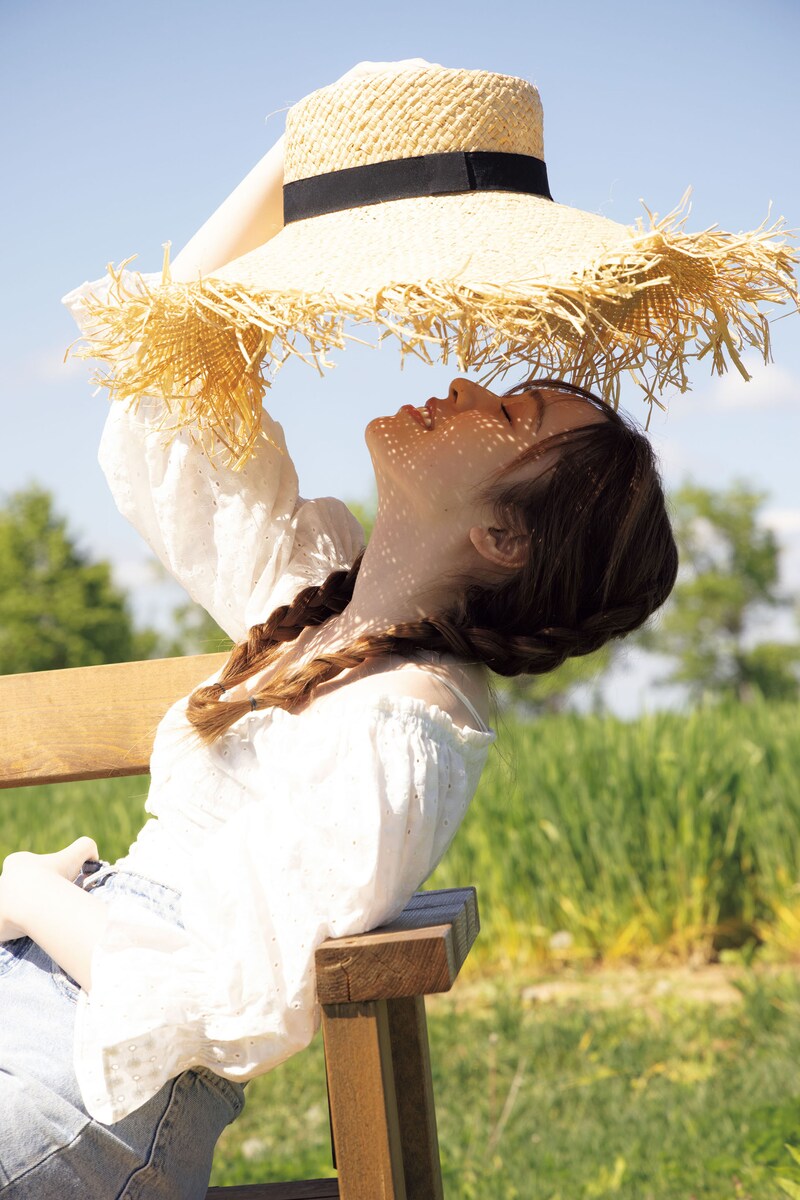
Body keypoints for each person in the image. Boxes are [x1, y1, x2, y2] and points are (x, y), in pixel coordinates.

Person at [1, 57, 791, 1197]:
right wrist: (308, 161)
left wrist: (30, 893)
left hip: (87, 1090)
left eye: (509, 412)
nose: (467, 387)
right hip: (43, 997)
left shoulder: (405, 732)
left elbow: (234, 1006)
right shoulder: (318, 600)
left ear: (506, 542)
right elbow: (162, 391)